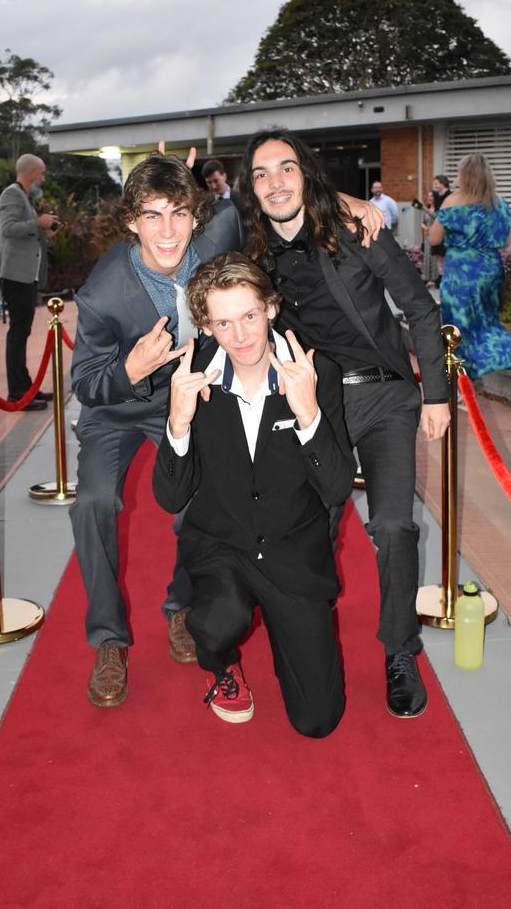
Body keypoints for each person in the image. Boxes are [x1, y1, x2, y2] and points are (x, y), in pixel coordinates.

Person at [228, 128, 450, 719]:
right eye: (261, 174)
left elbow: (420, 307)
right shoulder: (251, 254)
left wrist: (436, 395)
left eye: (287, 168)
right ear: (250, 190)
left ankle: (400, 651)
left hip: (382, 401)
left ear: (307, 174)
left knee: (396, 529)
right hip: (311, 407)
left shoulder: (357, 231)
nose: (275, 182)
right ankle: (311, 636)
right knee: (310, 532)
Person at [69, 151, 246, 708]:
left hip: (186, 401)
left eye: (178, 213)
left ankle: (182, 607)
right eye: (152, 216)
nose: (167, 232)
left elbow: (278, 201)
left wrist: (355, 201)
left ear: (197, 215)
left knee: (198, 503)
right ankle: (109, 640)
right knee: (94, 502)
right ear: (131, 221)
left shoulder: (218, 243)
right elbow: (86, 385)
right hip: (118, 408)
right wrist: (130, 370)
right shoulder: (102, 293)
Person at [152, 252, 355, 735]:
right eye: (223, 322)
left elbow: (337, 485)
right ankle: (222, 663)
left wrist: (308, 414)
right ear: (205, 324)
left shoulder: (311, 371)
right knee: (218, 619)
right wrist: (177, 421)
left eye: (248, 316)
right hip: (222, 543)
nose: (241, 336)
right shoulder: (192, 376)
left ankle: (292, 642)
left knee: (318, 721)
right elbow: (170, 497)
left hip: (292, 551)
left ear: (269, 307)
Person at [429, 152, 511, 379]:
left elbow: (434, 239)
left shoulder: (453, 200)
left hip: (461, 269)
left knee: (459, 324)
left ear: (464, 175)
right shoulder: (499, 203)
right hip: (490, 268)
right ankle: (498, 357)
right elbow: (506, 241)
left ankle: (463, 377)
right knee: (487, 320)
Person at [0, 154, 58, 410]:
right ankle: (18, 392)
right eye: (41, 173)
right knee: (19, 333)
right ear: (32, 172)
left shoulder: (24, 197)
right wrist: (37, 222)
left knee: (22, 332)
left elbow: (24, 232)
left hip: (23, 275)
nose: (43, 178)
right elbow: (7, 229)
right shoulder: (12, 194)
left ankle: (25, 387)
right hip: (15, 274)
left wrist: (45, 230)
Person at [420, 190, 439, 288]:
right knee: (427, 256)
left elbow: (437, 218)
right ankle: (428, 279)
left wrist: (426, 209)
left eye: (431, 196)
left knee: (434, 257)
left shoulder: (438, 208)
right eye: (428, 196)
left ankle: (435, 280)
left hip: (436, 235)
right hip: (427, 236)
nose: (430, 198)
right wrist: (425, 228)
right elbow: (422, 222)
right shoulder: (425, 210)